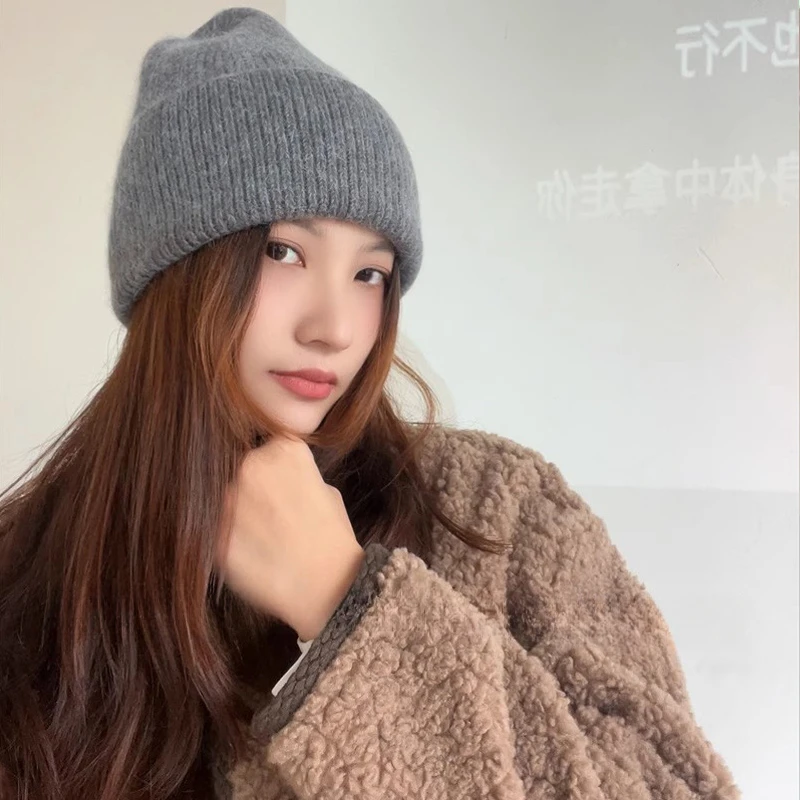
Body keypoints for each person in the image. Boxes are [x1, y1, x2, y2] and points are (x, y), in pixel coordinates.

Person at [0, 7, 741, 799]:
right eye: (284, 251)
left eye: (369, 274)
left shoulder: (499, 512)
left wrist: (344, 605)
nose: (335, 329)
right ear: (173, 274)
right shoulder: (29, 569)